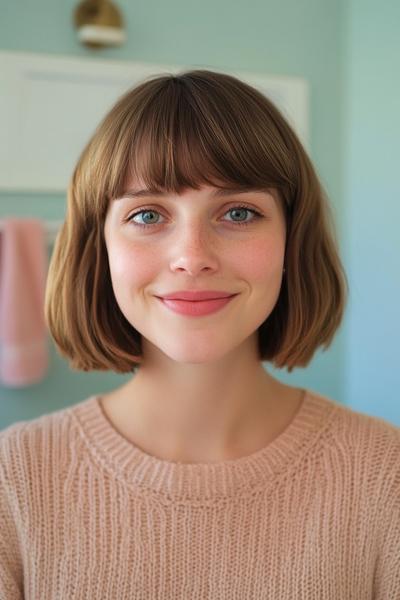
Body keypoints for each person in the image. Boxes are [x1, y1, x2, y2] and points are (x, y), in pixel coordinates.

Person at [1, 70, 399, 599]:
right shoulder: (14, 481)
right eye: (147, 214)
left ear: (291, 241)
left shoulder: (386, 476)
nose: (193, 257)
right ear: (100, 251)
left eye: (238, 212)